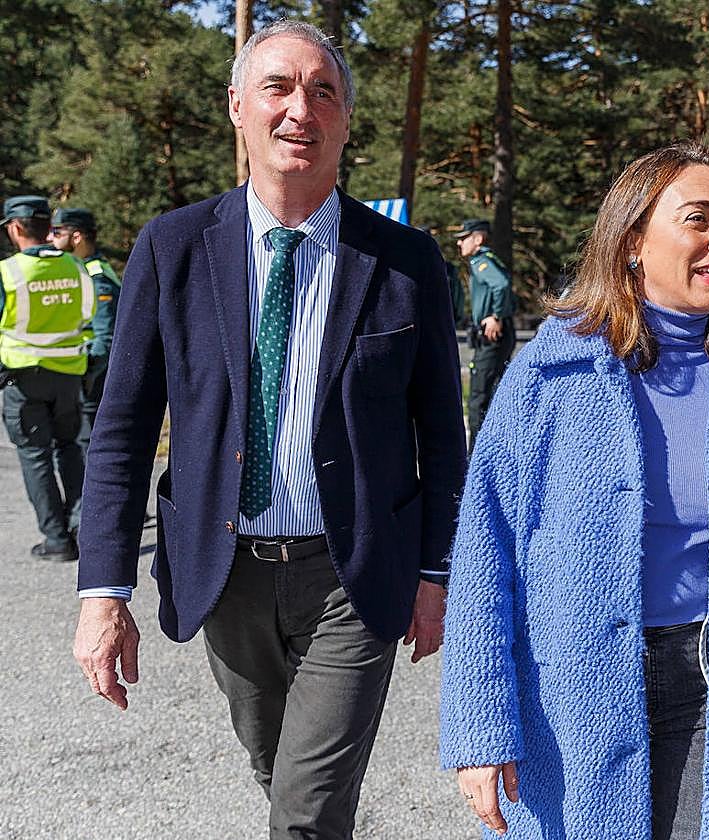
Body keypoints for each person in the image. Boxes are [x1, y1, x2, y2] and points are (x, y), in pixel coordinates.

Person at [71, 20, 466, 838]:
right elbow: (121, 429)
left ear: (347, 121)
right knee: (278, 772)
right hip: (226, 573)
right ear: (237, 106)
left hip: (352, 575)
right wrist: (102, 591)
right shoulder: (173, 247)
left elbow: (441, 429)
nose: (300, 110)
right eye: (279, 87)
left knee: (307, 808)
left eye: (324, 91)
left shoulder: (405, 261)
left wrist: (438, 572)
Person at [439, 142, 709, 839]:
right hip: (571, 691)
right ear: (630, 240)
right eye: (699, 219)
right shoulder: (550, 374)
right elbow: (484, 555)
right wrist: (480, 724)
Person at [0, 195, 93, 562]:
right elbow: (88, 313)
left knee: (35, 456)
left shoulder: (8, 272)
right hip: (69, 373)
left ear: (17, 227)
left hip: (23, 378)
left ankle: (56, 540)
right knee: (70, 449)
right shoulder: (75, 266)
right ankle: (80, 528)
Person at [49, 207, 121, 454]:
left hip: (92, 375)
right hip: (84, 371)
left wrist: (87, 373)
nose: (50, 238)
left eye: (56, 231)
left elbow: (106, 335)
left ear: (77, 237)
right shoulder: (81, 270)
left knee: (86, 446)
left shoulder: (96, 276)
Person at [457, 218, 515, 448]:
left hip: (492, 336)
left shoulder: (482, 262)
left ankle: (477, 455)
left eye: (464, 238)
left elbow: (500, 285)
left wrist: (495, 316)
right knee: (491, 393)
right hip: (493, 336)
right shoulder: (484, 261)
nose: (459, 243)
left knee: (478, 398)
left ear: (478, 239)